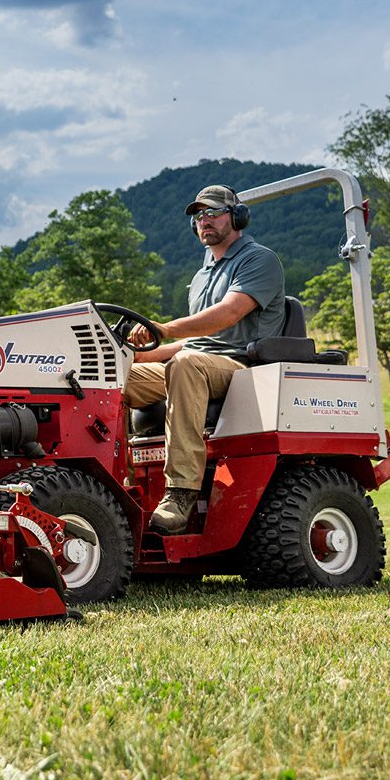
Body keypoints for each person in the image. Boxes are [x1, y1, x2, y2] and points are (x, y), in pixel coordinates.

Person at [124, 185, 286, 534]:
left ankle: (180, 492)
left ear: (237, 216)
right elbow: (194, 341)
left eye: (213, 212)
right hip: (199, 362)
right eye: (198, 215)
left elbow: (228, 314)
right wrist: (131, 355)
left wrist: (164, 327)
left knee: (187, 366)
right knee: (111, 376)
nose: (204, 221)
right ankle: (117, 485)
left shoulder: (259, 260)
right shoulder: (201, 276)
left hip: (243, 370)